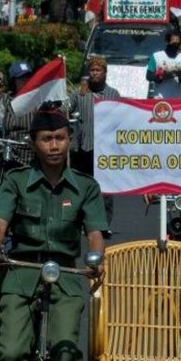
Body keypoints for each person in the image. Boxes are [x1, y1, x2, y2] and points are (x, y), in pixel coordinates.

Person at [0, 105, 108, 361]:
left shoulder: (85, 186)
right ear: (33, 143)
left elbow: (95, 232)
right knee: (11, 354)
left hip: (65, 274)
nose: (54, 146)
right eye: (46, 139)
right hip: (22, 273)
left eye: (60, 138)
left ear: (69, 141)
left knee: (67, 349)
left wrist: (96, 257)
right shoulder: (16, 180)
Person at [69, 56, 120, 237]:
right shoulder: (80, 93)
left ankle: (104, 224)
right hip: (84, 147)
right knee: (82, 187)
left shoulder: (113, 94)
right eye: (92, 70)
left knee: (105, 190)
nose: (95, 73)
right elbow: (66, 109)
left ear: (105, 73)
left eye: (98, 70)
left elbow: (121, 118)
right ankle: (82, 223)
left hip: (106, 148)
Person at [0, 61, 36, 168]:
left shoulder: (37, 99)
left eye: (28, 77)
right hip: (9, 149)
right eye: (21, 78)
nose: (26, 80)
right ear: (13, 81)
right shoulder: (6, 100)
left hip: (32, 149)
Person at [146, 30, 181, 98]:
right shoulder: (156, 56)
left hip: (176, 98)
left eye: (177, 43)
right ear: (167, 42)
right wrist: (162, 77)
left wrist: (179, 74)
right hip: (159, 98)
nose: (175, 45)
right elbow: (149, 76)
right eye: (173, 43)